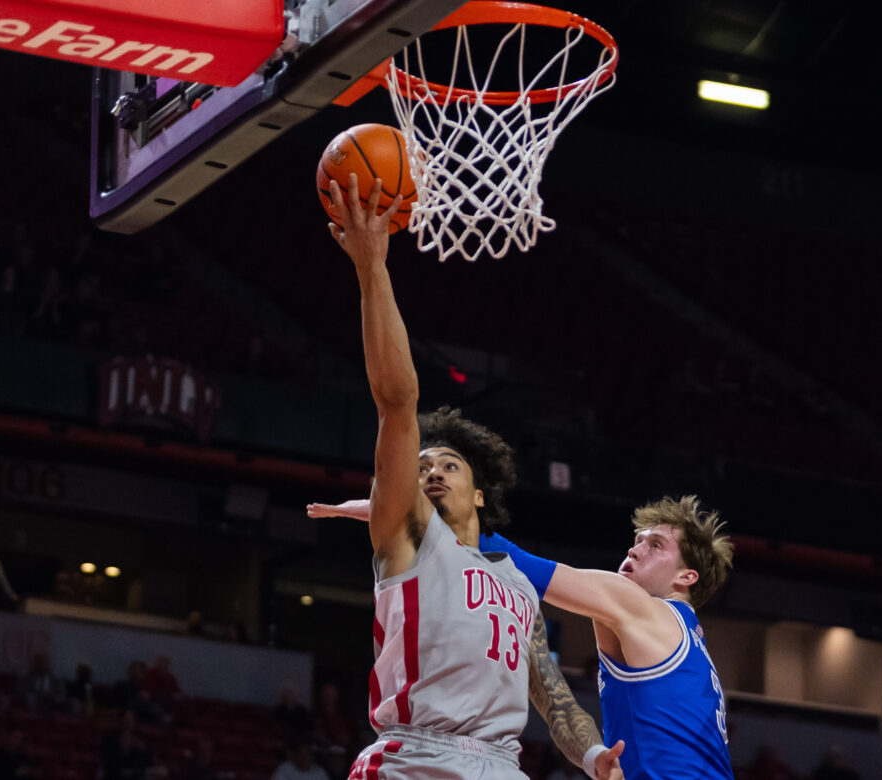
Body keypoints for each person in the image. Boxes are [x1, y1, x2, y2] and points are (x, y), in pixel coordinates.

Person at [316, 174, 622, 780]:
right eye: (422, 464)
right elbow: (397, 401)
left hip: (503, 765)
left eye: (448, 464)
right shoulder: (407, 534)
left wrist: (594, 757)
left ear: (480, 491)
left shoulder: (517, 586)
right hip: (417, 757)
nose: (430, 471)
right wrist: (372, 268)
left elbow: (551, 692)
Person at [309, 495, 734, 780]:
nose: (635, 549)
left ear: (686, 577)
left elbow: (524, 564)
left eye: (655, 545)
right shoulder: (693, 644)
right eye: (636, 540)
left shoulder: (640, 606)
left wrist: (399, 510)